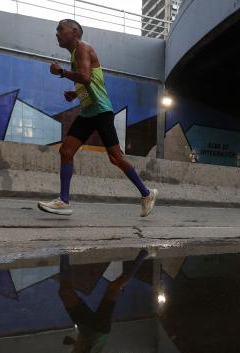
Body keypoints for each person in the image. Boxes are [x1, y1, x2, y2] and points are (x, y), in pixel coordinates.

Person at [37, 19, 158, 217]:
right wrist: (75, 94)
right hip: (88, 112)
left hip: (101, 111)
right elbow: (92, 81)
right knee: (66, 151)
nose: (56, 33)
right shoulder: (76, 55)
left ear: (74, 32)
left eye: (60, 29)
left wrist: (60, 72)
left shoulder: (83, 49)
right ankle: (64, 202)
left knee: (116, 158)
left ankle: (147, 193)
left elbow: (85, 77)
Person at [49, 249, 149, 353]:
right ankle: (64, 253)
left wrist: (74, 343)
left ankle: (142, 255)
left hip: (96, 331)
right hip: (93, 331)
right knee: (66, 292)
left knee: (113, 288)